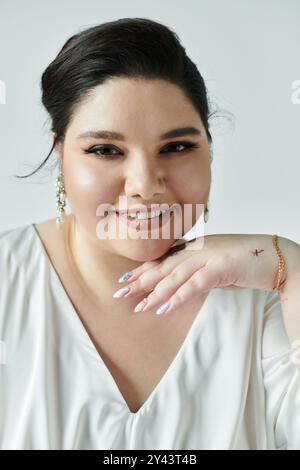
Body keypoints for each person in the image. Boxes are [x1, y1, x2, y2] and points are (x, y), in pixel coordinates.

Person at [0, 17, 299, 450]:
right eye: (105, 150)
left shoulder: (268, 302)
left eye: (177, 147)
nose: (145, 183)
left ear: (209, 152)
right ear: (60, 154)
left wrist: (289, 265)